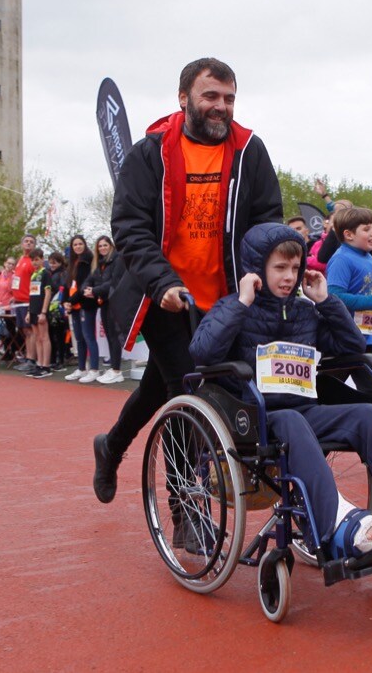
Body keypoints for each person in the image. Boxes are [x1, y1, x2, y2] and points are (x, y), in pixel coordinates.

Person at [191, 222, 372, 556]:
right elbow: (202, 353)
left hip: (305, 410)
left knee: (368, 414)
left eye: (295, 268)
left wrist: (326, 302)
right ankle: (336, 527)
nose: (288, 276)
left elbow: (352, 345)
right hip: (254, 418)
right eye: (279, 268)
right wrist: (242, 302)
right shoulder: (233, 306)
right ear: (256, 270)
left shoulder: (304, 313)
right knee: (291, 422)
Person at [92, 57, 283, 505]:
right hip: (166, 298)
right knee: (188, 393)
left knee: (160, 386)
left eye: (229, 98)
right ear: (184, 99)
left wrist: (270, 271)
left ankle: (111, 445)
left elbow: (266, 219)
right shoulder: (150, 152)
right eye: (210, 96)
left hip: (225, 300)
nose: (221, 107)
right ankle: (184, 509)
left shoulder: (250, 149)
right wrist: (163, 284)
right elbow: (130, 227)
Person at [326, 206, 372, 378]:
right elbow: (335, 297)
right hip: (347, 338)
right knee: (329, 389)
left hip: (369, 335)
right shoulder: (341, 259)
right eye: (366, 229)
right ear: (349, 235)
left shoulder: (369, 256)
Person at [84, 235, 125, 384]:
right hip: (104, 302)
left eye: (105, 245)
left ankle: (116, 370)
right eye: (100, 246)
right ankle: (114, 367)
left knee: (114, 336)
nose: (102, 248)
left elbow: (113, 282)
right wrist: (86, 290)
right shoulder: (100, 263)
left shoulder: (117, 259)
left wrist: (94, 291)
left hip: (114, 301)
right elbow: (90, 279)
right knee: (109, 335)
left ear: (111, 246)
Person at [63, 235, 101, 384]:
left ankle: (94, 369)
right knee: (78, 338)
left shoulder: (88, 262)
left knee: (88, 336)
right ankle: (81, 368)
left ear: (85, 245)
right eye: (75, 245)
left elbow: (84, 285)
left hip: (86, 304)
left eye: (80, 244)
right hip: (74, 306)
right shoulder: (73, 263)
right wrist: (66, 302)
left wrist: (71, 301)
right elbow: (69, 285)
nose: (78, 247)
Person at [24, 248, 54, 379]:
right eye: (32, 260)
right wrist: (29, 312)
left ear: (42, 259)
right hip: (34, 310)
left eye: (37, 259)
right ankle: (39, 363)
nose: (34, 262)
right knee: (37, 338)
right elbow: (32, 295)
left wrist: (43, 311)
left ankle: (46, 366)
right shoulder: (33, 275)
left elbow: (47, 293)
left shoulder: (45, 274)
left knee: (44, 337)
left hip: (41, 310)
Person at [11, 235, 37, 371]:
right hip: (18, 301)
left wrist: (32, 302)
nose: (28, 244)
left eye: (31, 242)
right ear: (21, 244)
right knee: (26, 331)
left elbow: (34, 282)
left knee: (31, 331)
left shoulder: (33, 262)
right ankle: (28, 357)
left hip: (28, 301)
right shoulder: (20, 260)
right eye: (26, 241)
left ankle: (32, 359)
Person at [46, 252, 69, 372]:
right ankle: (54, 359)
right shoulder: (50, 273)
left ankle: (60, 360)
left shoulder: (62, 273)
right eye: (50, 262)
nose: (52, 265)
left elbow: (62, 288)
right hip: (51, 307)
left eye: (54, 262)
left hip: (57, 307)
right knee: (52, 334)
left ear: (60, 262)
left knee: (59, 335)